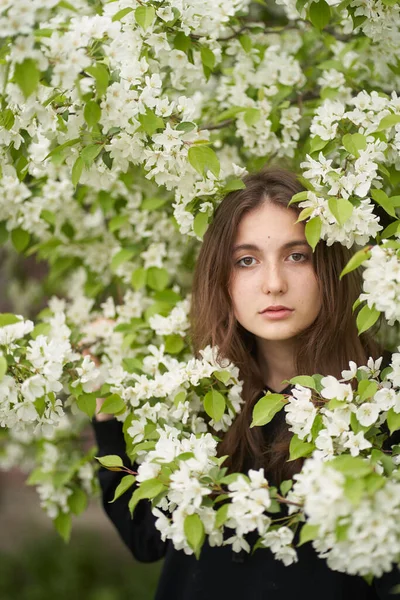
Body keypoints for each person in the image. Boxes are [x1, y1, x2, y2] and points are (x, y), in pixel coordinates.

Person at [92, 168, 398, 599]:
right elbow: (147, 538)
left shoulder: (383, 403)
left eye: (297, 256)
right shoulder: (197, 401)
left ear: (328, 267)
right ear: (223, 278)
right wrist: (108, 416)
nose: (273, 284)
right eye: (246, 261)